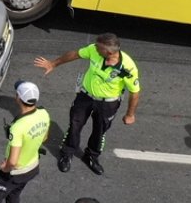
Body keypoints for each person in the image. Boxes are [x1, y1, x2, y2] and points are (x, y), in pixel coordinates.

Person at [35, 32, 142, 176]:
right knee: (74, 125)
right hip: (85, 97)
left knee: (99, 132)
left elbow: (134, 92)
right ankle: (67, 153)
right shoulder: (94, 50)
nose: (94, 48)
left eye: (99, 48)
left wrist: (130, 114)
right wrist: (53, 63)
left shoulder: (128, 67)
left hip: (107, 104)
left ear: (109, 52)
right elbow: (75, 54)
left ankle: (91, 156)